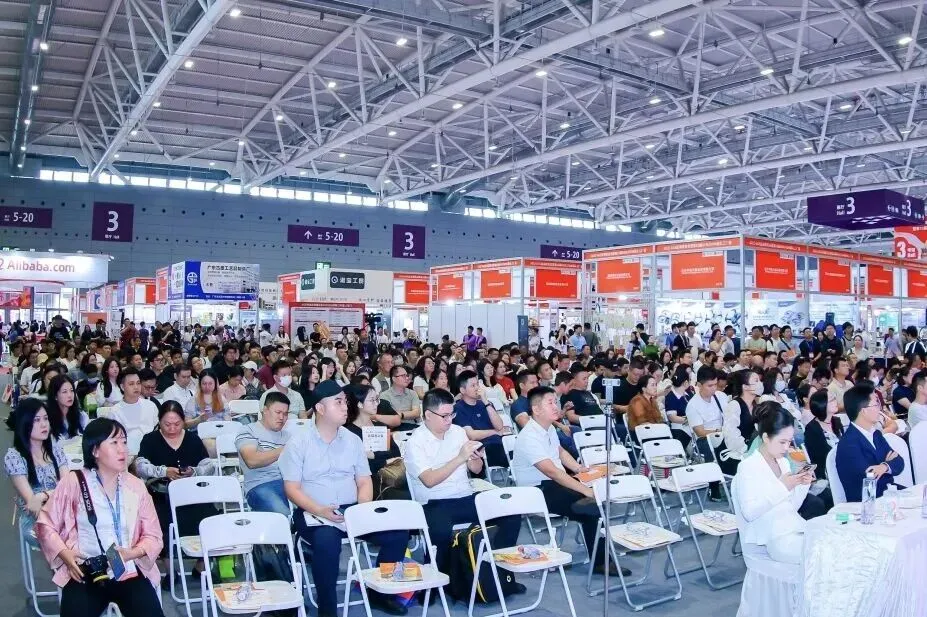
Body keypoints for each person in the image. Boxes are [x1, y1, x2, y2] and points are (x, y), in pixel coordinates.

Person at [282, 380, 410, 617]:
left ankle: (379, 594)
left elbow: (364, 481)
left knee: (398, 533)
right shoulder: (299, 443)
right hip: (313, 513)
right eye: (338, 402)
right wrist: (319, 510)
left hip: (351, 509)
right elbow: (292, 489)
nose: (345, 406)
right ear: (320, 409)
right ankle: (328, 609)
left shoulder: (353, 440)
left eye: (345, 401)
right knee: (327, 542)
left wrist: (362, 510)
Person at [35, 418, 165, 617]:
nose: (122, 450)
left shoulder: (136, 486)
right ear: (95, 450)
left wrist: (133, 553)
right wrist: (64, 553)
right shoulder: (74, 482)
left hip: (129, 568)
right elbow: (45, 524)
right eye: (114, 443)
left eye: (124, 442)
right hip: (86, 569)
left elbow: (153, 535)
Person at [404, 388, 523, 583]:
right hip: (434, 501)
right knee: (440, 531)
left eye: (452, 414)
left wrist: (475, 459)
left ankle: (500, 575)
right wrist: (460, 458)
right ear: (428, 415)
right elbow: (429, 480)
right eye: (444, 416)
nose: (449, 420)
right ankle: (440, 581)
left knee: (510, 514)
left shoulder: (458, 432)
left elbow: (476, 470)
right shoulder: (416, 442)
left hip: (465, 494)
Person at [512, 386, 615, 574]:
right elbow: (552, 472)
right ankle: (601, 561)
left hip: (554, 484)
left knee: (595, 501)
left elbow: (559, 451)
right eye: (550, 403)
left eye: (555, 402)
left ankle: (600, 557)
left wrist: (578, 468)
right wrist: (584, 489)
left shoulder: (549, 428)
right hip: (537, 491)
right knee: (592, 506)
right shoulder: (528, 436)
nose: (555, 406)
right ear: (536, 409)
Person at [732, 402, 817, 566]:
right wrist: (783, 487)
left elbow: (791, 507)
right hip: (773, 538)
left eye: (789, 442)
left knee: (832, 546)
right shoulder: (748, 466)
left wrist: (802, 485)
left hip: (793, 529)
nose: (786, 448)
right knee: (821, 554)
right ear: (765, 438)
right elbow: (749, 512)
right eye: (782, 442)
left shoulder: (782, 463)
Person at [135, 401, 215, 564]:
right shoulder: (150, 440)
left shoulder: (192, 439)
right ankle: (170, 567)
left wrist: (193, 471)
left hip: (192, 494)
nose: (172, 429)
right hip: (161, 494)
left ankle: (201, 566)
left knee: (209, 518)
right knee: (161, 520)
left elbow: (208, 465)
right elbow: (140, 467)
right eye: (167, 424)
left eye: (177, 424)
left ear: (183, 421)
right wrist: (163, 471)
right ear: (159, 421)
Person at [5, 398, 68, 547]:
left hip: (62, 511)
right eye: (37, 420)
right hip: (36, 520)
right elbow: (32, 504)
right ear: (25, 424)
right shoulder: (15, 457)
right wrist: (52, 495)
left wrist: (43, 495)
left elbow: (68, 487)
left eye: (46, 418)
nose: (44, 424)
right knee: (67, 538)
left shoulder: (54, 448)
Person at [835, 382, 906, 501]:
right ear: (864, 411)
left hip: (887, 493)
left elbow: (899, 462)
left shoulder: (876, 434)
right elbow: (869, 476)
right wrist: (886, 463)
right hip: (868, 501)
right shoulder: (848, 443)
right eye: (876, 404)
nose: (880, 408)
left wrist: (884, 466)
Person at [235, 391, 291, 516]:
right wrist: (286, 449)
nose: (282, 417)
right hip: (260, 485)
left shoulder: (288, 436)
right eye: (278, 412)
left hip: (289, 483)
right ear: (265, 410)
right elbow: (252, 461)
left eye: (285, 414)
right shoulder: (248, 431)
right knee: (282, 515)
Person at [344, 385, 404, 498]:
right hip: (367, 483)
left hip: (391, 476)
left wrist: (373, 455)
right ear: (360, 404)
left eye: (377, 399)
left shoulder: (380, 426)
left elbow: (396, 453)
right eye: (372, 400)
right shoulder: (350, 433)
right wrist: (385, 461)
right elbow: (359, 466)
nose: (376, 403)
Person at [685, 366, 729, 500]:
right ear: (699, 385)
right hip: (704, 439)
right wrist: (717, 431)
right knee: (711, 448)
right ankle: (713, 486)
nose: (714, 388)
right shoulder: (693, 405)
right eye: (710, 385)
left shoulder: (721, 397)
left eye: (715, 384)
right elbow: (700, 432)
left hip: (723, 434)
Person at [453, 369, 511, 468]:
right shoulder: (458, 409)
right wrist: (495, 432)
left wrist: (486, 402)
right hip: (480, 449)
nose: (477, 388)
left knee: (517, 446)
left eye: (477, 384)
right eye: (473, 386)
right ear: (462, 390)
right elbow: (472, 435)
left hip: (498, 443)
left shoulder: (485, 404)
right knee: (511, 453)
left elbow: (499, 426)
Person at [110, 368, 159, 453]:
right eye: (131, 384)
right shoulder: (115, 412)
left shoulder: (151, 406)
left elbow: (156, 429)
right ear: (122, 387)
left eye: (138, 383)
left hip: (152, 451)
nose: (136, 387)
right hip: (128, 453)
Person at [803, 390, 843, 479]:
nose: (835, 402)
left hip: (842, 465)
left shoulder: (836, 421)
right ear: (822, 405)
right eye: (832, 400)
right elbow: (818, 459)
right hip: (827, 472)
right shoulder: (812, 429)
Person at [47, 374, 90, 440]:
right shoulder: (47, 420)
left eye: (72, 390)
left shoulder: (82, 416)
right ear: (55, 396)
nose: (70, 395)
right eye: (64, 392)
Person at [662, 366, 693, 449]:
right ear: (686, 382)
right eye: (689, 380)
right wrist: (690, 420)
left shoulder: (689, 394)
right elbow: (672, 417)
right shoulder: (671, 397)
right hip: (680, 428)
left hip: (690, 425)